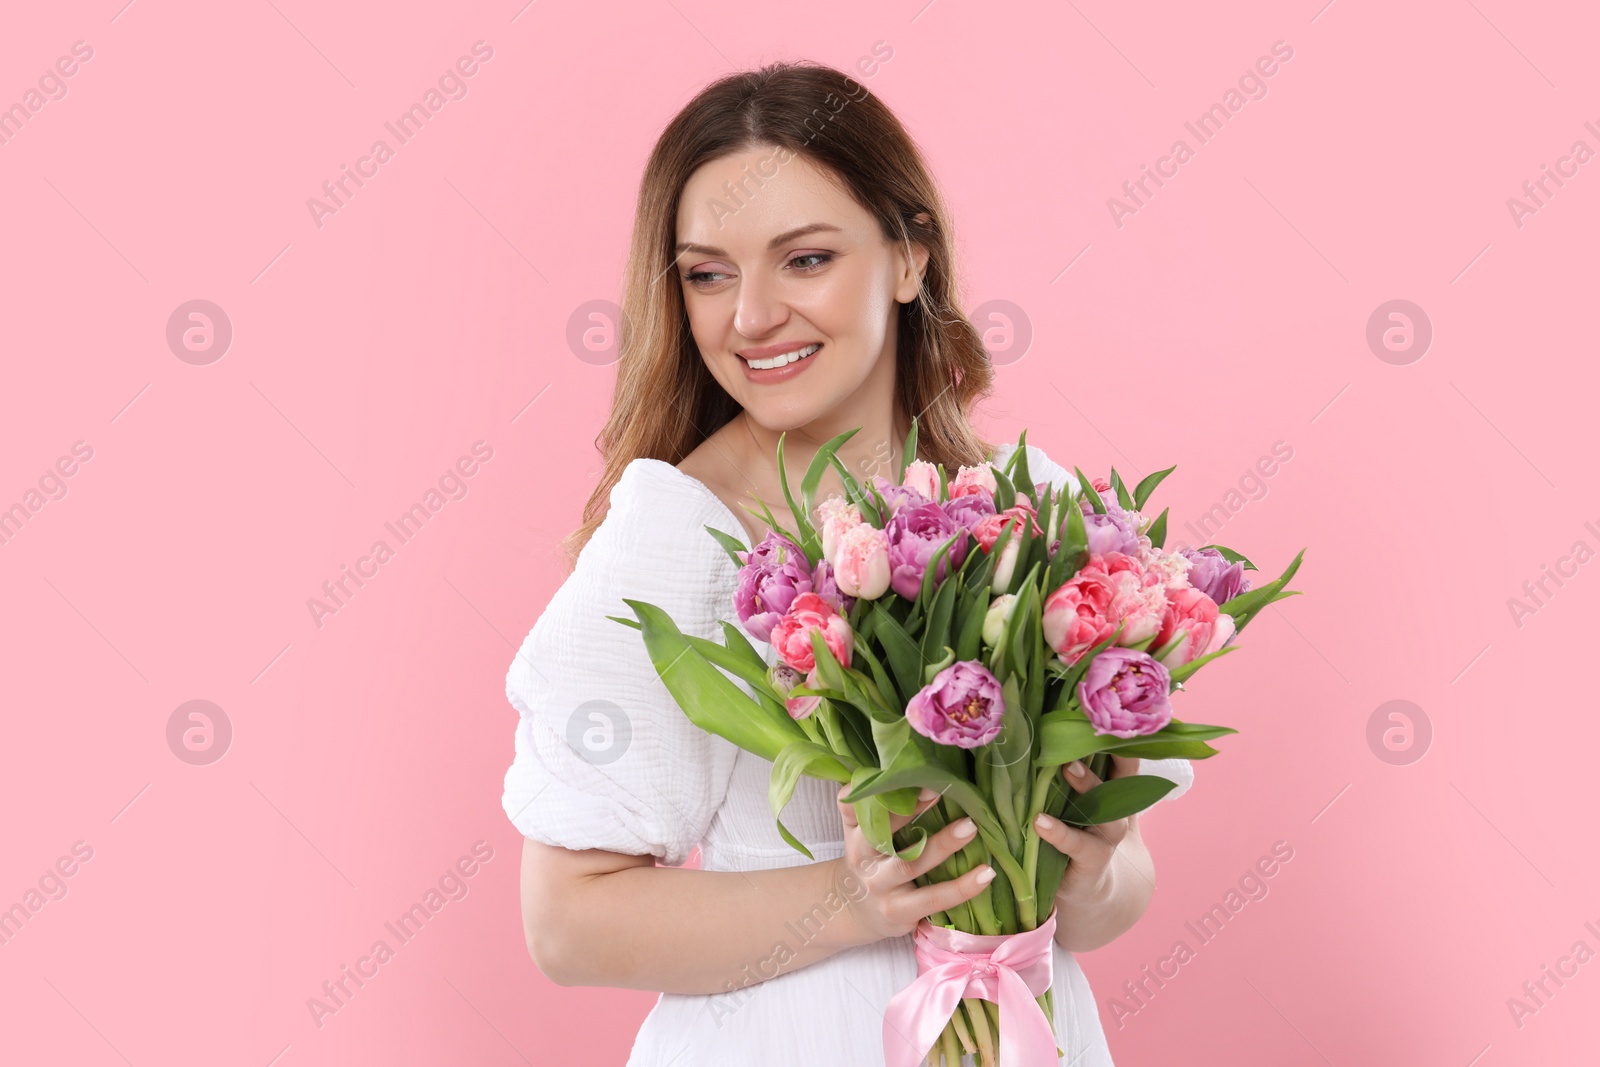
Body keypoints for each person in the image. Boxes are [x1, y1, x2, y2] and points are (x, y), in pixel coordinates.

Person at [500, 59, 1194, 1066]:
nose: (748, 317)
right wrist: (851, 899)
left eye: (806, 259)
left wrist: (1085, 872)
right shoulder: (678, 537)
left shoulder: (1027, 507)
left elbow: (1114, 894)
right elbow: (565, 923)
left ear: (910, 257)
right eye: (707, 272)